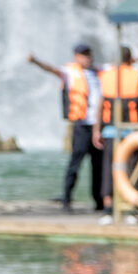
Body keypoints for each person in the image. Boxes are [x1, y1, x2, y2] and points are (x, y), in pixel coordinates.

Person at [27, 44, 104, 212]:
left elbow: (120, 66)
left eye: (89, 54)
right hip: (81, 125)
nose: (87, 58)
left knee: (98, 166)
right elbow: (51, 69)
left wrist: (136, 59)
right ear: (76, 56)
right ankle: (67, 199)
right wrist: (35, 61)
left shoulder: (99, 71)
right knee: (75, 163)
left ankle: (99, 202)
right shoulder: (70, 71)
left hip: (98, 125)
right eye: (84, 55)